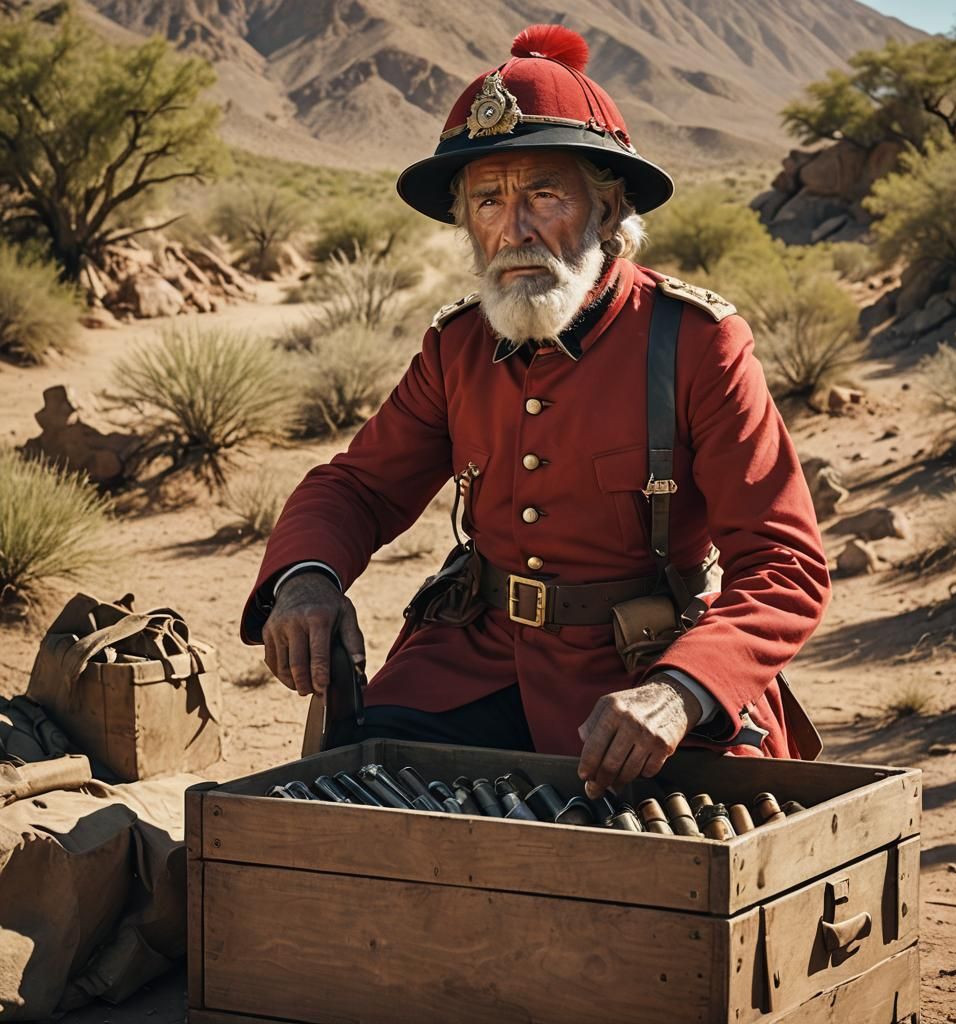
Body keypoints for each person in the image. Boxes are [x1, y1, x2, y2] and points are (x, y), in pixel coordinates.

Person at [241, 24, 831, 797]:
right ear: (466, 223)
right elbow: (357, 487)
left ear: (608, 206)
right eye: (488, 200)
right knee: (356, 794)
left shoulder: (696, 344)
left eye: (544, 193)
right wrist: (307, 580)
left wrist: (682, 690)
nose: (513, 228)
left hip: (641, 674)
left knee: (684, 862)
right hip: (473, 663)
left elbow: (784, 566)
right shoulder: (457, 347)